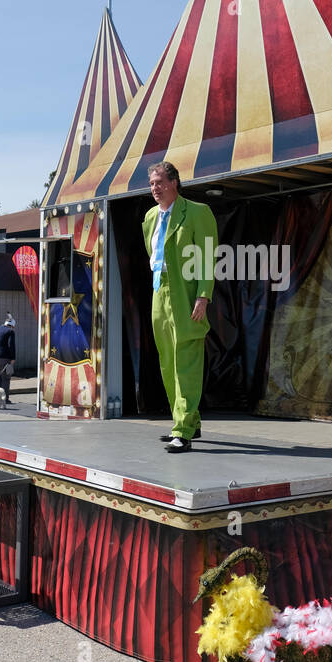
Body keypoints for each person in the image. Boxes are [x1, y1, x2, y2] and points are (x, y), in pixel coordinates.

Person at [142, 161, 217, 453]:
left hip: (186, 294)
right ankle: (187, 420)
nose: (155, 189)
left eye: (159, 182)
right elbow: (153, 255)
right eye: (151, 184)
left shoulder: (198, 213)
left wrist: (203, 295)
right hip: (159, 293)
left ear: (174, 182)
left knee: (186, 361)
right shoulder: (150, 217)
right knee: (168, 362)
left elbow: (208, 257)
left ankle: (182, 430)